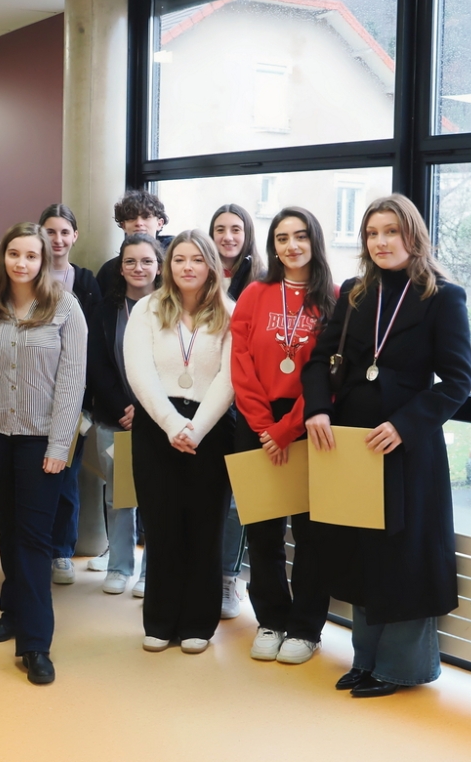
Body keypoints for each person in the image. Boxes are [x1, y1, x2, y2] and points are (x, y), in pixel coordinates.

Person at [303, 194, 471, 698]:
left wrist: (404, 423)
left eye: (391, 232)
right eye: (372, 233)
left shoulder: (444, 296)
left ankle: (400, 668)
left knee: (404, 555)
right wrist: (318, 408)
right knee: (362, 552)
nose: (381, 241)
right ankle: (366, 659)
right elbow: (318, 361)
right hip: (352, 443)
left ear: (412, 236)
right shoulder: (355, 292)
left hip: (406, 446)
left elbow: (458, 380)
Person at [0, 223, 86, 685]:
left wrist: (59, 445)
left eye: (32, 256)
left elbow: (72, 384)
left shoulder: (65, 309)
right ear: (3, 257)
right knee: (7, 529)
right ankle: (11, 612)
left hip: (40, 442)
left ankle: (35, 642)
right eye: (14, 254)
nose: (22, 263)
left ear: (45, 259)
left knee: (33, 538)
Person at [230, 207, 336, 665]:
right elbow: (240, 364)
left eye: (299, 237)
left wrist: (287, 428)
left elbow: (331, 373)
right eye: (281, 238)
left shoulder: (333, 298)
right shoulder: (256, 293)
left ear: (314, 241)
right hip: (256, 424)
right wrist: (262, 427)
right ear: (272, 245)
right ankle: (271, 619)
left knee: (313, 535)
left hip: (310, 423)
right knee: (263, 532)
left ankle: (306, 628)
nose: (291, 246)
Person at [125, 229, 237, 655]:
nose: (187, 267)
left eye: (196, 259)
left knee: (205, 528)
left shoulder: (229, 311)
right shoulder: (148, 309)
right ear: (168, 266)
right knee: (162, 523)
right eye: (178, 260)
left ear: (211, 265)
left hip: (210, 427)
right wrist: (173, 424)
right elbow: (139, 371)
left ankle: (197, 623)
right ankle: (159, 620)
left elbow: (230, 376)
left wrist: (197, 427)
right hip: (157, 425)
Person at [84, 234, 162, 597]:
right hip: (116, 418)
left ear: (158, 266)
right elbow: (97, 367)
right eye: (130, 261)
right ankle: (119, 566)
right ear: (120, 266)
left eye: (146, 261)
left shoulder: (171, 308)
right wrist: (123, 408)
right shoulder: (106, 309)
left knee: (156, 499)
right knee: (118, 497)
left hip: (161, 421)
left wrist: (149, 411)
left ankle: (151, 573)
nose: (138, 268)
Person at [38, 204, 103, 585]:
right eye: (50, 231)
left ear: (75, 237)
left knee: (65, 476)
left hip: (74, 399)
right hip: (31, 397)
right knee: (31, 476)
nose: (58, 239)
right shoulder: (27, 275)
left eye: (65, 232)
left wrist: (88, 404)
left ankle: (61, 552)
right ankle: (33, 546)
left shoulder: (88, 282)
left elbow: (93, 348)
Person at [210, 203, 261, 619]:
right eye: (220, 229)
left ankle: (228, 578)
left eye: (236, 229)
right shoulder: (196, 276)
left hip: (244, 404)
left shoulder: (260, 282)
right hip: (203, 402)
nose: (228, 237)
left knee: (236, 501)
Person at [96, 189, 173, 301]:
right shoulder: (109, 270)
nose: (139, 223)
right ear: (123, 226)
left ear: (159, 224)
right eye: (132, 218)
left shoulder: (175, 263)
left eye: (146, 217)